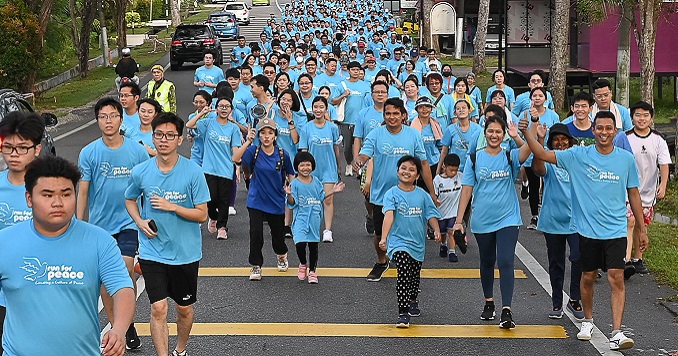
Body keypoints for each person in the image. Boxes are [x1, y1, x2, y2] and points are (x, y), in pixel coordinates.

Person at [519, 111, 647, 351]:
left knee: (616, 277)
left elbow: (633, 194)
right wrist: (528, 132)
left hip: (616, 230)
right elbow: (542, 154)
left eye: (609, 128)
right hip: (587, 231)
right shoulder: (578, 155)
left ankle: (617, 332)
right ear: (593, 130)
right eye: (600, 128)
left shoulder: (625, 160)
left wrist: (642, 229)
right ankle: (587, 321)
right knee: (587, 277)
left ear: (615, 132)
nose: (604, 132)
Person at [0, 156, 135, 355]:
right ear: (29, 199)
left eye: (66, 194)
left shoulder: (100, 241)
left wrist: (120, 329)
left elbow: (123, 288)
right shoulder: (5, 242)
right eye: (47, 195)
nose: (57, 203)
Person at [124, 113, 210, 356]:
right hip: (153, 250)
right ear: (153, 137)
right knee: (158, 308)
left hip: (185, 252)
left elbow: (202, 214)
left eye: (170, 135)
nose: (164, 140)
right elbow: (129, 199)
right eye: (159, 135)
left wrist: (173, 207)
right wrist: (140, 222)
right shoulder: (141, 172)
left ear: (179, 140)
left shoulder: (193, 172)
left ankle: (180, 350)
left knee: (184, 309)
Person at [77, 97, 148, 350]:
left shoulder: (137, 151)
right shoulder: (89, 152)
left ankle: (123, 322)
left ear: (121, 119)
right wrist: (77, 224)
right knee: (107, 284)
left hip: (129, 223)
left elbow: (146, 188)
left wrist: (148, 220)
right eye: (103, 116)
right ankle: (123, 327)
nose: (108, 120)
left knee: (125, 270)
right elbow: (83, 191)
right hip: (100, 227)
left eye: (113, 115)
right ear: (98, 121)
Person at [452, 116, 531, 329]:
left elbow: (528, 151)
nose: (494, 135)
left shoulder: (510, 154)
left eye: (498, 132)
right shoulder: (475, 158)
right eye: (490, 131)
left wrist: (518, 137)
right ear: (484, 134)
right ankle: (489, 301)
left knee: (505, 260)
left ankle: (507, 309)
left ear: (504, 134)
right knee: (487, 261)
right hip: (482, 218)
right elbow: (467, 189)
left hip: (508, 218)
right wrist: (459, 221)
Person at [352, 98, 437, 282]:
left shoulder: (413, 135)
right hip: (381, 195)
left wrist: (431, 191)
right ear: (384, 116)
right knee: (380, 234)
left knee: (407, 234)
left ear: (403, 115)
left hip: (408, 195)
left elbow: (423, 163)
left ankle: (410, 270)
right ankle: (382, 262)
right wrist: (358, 161)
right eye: (388, 113)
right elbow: (364, 154)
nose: (392, 117)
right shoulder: (375, 134)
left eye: (396, 113)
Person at [529, 123, 585, 320]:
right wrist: (541, 141)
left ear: (570, 141)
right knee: (556, 263)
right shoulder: (550, 161)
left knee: (578, 257)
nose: (560, 143)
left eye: (564, 140)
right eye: (556, 140)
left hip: (576, 220)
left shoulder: (577, 159)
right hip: (553, 219)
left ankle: (575, 299)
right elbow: (537, 168)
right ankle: (556, 302)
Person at [0, 112, 45, 354]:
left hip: (39, 290)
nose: (13, 154)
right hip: (3, 294)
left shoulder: (50, 188)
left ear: (37, 149)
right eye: (8, 147)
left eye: (21, 148)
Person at [379, 155, 441, 328]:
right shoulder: (391, 194)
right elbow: (389, 215)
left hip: (417, 244)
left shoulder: (422, 195)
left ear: (417, 176)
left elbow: (431, 214)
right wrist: (384, 238)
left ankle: (412, 299)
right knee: (404, 272)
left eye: (412, 170)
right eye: (403, 168)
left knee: (414, 275)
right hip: (398, 242)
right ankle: (403, 312)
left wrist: (436, 230)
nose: (407, 172)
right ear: (398, 171)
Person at [232, 118, 295, 281]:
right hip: (256, 199)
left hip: (276, 200)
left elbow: (290, 173)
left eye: (270, 133)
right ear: (259, 135)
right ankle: (256, 265)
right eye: (263, 133)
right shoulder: (253, 151)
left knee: (277, 235)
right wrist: (248, 141)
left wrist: (292, 189)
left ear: (275, 135)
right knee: (255, 233)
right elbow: (235, 158)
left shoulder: (282, 154)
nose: (266, 136)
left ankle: (281, 254)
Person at [624, 101, 670, 277]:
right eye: (637, 115)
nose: (641, 119)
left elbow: (664, 163)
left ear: (651, 118)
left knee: (641, 223)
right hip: (628, 188)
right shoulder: (625, 138)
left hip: (648, 190)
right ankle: (626, 260)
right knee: (630, 221)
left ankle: (638, 258)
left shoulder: (658, 139)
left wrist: (663, 184)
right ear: (632, 117)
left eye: (645, 115)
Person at [186, 96, 242, 240]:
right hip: (208, 168)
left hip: (226, 169)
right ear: (216, 108)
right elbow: (189, 125)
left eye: (227, 106)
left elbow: (235, 148)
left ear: (231, 110)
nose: (224, 109)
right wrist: (203, 112)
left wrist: (237, 166)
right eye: (221, 106)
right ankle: (214, 217)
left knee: (223, 200)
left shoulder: (233, 128)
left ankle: (222, 227)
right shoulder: (208, 123)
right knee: (210, 199)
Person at [285, 152, 345, 284]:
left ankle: (312, 271)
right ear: (297, 167)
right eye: (302, 165)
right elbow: (292, 203)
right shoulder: (294, 184)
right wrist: (289, 194)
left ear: (312, 166)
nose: (305, 168)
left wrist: (333, 190)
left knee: (313, 246)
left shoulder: (316, 181)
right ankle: (302, 263)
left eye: (308, 165)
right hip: (300, 218)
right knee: (300, 244)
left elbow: (321, 196)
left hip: (314, 218)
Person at [298, 96, 342, 243]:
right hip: (311, 170)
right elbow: (303, 150)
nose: (318, 110)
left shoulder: (333, 128)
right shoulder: (306, 128)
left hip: (329, 168)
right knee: (312, 200)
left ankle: (327, 230)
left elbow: (336, 148)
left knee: (328, 199)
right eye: (315, 107)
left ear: (326, 109)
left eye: (321, 107)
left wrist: (339, 166)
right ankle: (310, 227)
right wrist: (303, 170)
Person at [519, 87, 560, 230]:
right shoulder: (525, 114)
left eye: (540, 95)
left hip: (549, 156)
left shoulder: (553, 116)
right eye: (534, 95)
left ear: (545, 99)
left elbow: (557, 135)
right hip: (531, 157)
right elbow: (520, 135)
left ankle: (549, 214)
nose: (537, 98)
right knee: (534, 186)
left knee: (548, 186)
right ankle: (535, 215)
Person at [332, 61, 370, 176]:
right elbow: (333, 101)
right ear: (348, 71)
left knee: (362, 146)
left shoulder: (365, 85)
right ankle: (349, 163)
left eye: (358, 70)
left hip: (361, 121)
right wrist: (343, 95)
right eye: (353, 70)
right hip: (346, 121)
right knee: (347, 147)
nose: (356, 72)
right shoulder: (342, 85)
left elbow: (369, 102)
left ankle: (359, 167)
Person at [438, 100, 482, 174]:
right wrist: (438, 169)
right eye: (458, 109)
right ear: (455, 113)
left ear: (469, 110)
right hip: (455, 169)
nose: (461, 110)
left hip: (472, 167)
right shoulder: (450, 129)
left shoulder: (478, 129)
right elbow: (444, 151)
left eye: (464, 108)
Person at [434, 153, 463, 262]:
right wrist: (435, 201)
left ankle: (452, 252)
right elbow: (434, 195)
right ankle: (443, 244)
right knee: (443, 232)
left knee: (451, 232)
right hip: (441, 212)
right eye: (451, 170)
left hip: (454, 212)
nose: (454, 173)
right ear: (444, 167)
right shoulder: (437, 180)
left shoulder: (460, 176)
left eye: (456, 170)